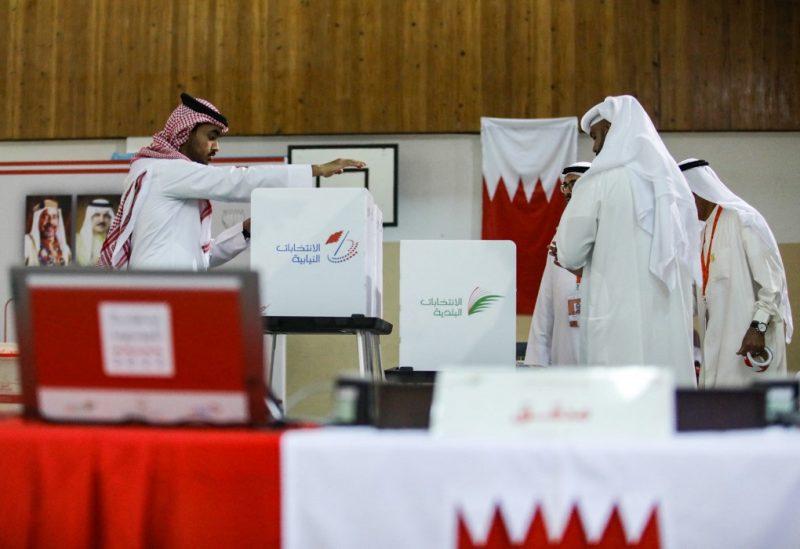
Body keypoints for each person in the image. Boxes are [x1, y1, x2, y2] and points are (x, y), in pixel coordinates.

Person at [98, 93, 364, 270]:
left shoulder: (171, 179)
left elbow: (204, 257)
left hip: (175, 294)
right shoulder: (164, 171)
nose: (216, 148)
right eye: (211, 136)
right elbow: (237, 181)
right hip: (160, 295)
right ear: (184, 134)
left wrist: (247, 230)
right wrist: (316, 170)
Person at [553, 95, 699, 387]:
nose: (594, 148)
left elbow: (569, 254)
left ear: (611, 130)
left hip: (616, 321)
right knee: (665, 408)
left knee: (619, 415)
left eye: (595, 137)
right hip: (668, 325)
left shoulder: (596, 182)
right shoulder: (675, 187)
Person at [679, 158, 792, 387]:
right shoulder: (702, 233)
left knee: (753, 411)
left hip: (751, 340)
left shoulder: (743, 220)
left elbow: (772, 285)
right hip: (718, 342)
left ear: (697, 191)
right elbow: (697, 296)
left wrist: (757, 328)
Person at [524, 161, 591, 366]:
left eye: (574, 184)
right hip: (564, 347)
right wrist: (537, 359)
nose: (568, 191)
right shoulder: (558, 236)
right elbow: (546, 300)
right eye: (566, 185)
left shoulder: (609, 229)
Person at [24, 198, 72, 266]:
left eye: (54, 217)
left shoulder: (65, 249)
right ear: (37, 220)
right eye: (45, 216)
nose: (50, 222)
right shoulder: (27, 243)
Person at [76, 198, 116, 266]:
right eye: (97, 215)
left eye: (106, 216)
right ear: (90, 218)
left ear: (111, 220)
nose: (101, 220)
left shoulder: (117, 242)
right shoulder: (77, 240)